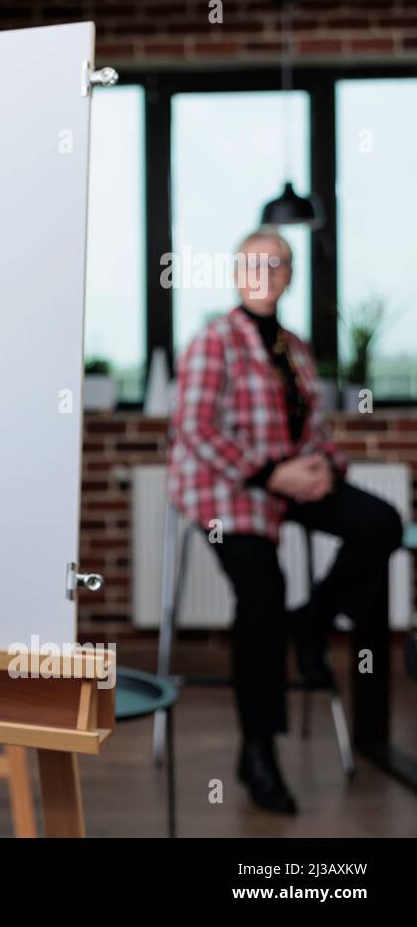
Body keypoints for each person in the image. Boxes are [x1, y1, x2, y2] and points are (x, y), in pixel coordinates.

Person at [167, 228, 403, 815]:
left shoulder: (295, 349)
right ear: (236, 272)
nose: (265, 273)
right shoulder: (213, 340)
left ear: (290, 275)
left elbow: (317, 430)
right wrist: (271, 474)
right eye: (254, 264)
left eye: (277, 264)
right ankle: (258, 752)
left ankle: (313, 620)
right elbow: (194, 429)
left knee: (381, 521)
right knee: (263, 595)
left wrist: (324, 467)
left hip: (292, 480)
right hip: (229, 489)